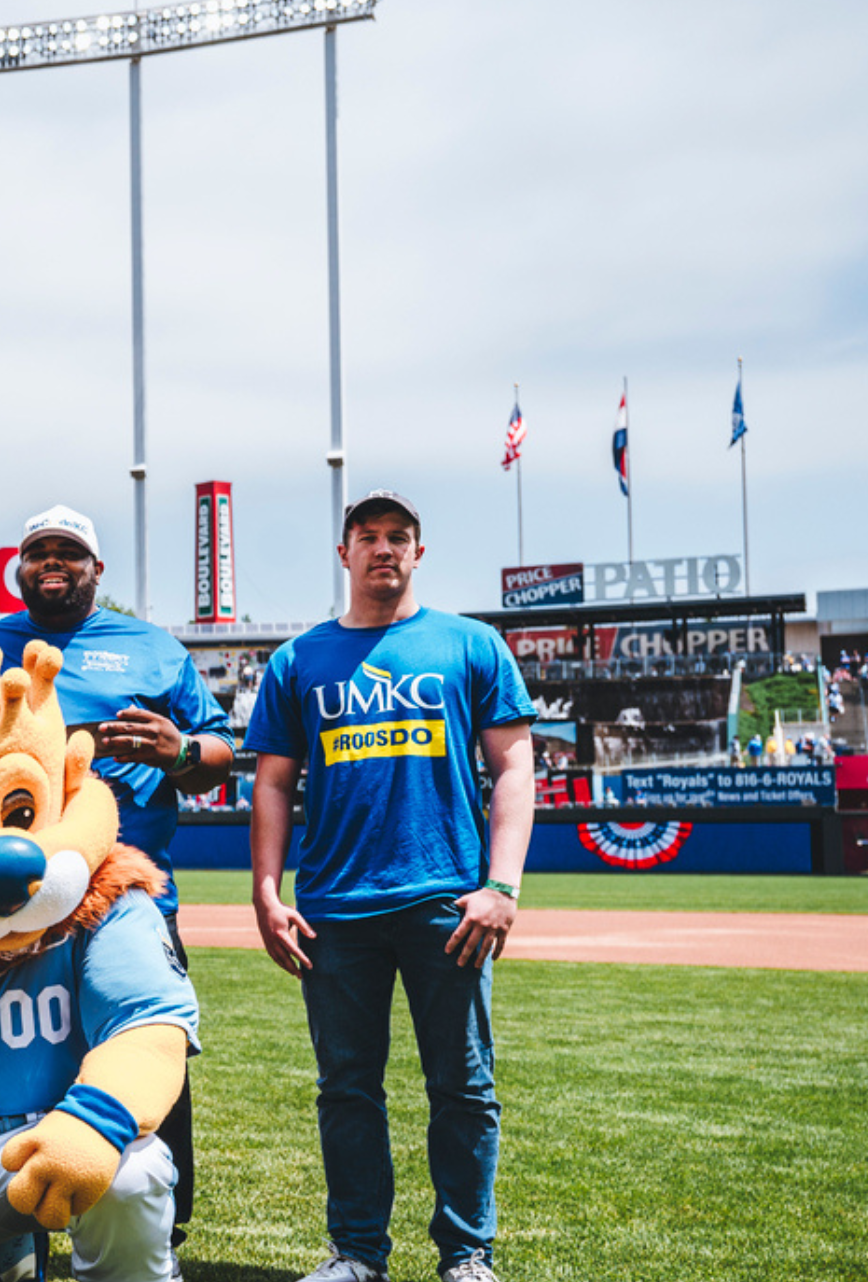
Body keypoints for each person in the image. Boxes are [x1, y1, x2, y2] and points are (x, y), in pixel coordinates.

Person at [245, 490, 535, 1282]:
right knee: (346, 1089)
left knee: (464, 1087)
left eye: (398, 536)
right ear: (344, 554)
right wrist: (267, 892)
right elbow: (272, 784)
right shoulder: (298, 660)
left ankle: (467, 1256)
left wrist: (501, 886)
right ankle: (358, 1255)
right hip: (336, 908)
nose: (383, 548)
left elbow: (515, 768)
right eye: (367, 536)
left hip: (447, 902)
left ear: (419, 552)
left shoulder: (471, 645)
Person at [0, 503, 233, 1271]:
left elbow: (224, 751)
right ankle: (8, 1224)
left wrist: (179, 751)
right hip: (12, 906)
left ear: (96, 570)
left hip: (129, 899)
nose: (52, 562)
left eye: (69, 552)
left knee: (141, 1053)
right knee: (13, 1065)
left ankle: (153, 1227)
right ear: (19, 565)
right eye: (39, 550)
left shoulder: (152, 650)